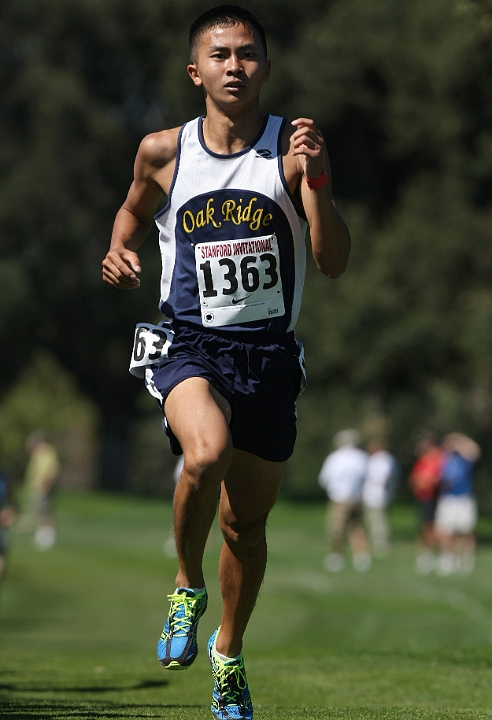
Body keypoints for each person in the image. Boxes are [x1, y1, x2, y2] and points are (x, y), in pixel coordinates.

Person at [101, 6, 351, 719]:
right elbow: (130, 211)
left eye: (248, 54)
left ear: (266, 69)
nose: (234, 66)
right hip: (188, 343)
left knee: (245, 526)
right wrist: (121, 247)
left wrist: (322, 181)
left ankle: (229, 655)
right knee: (203, 454)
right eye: (220, 54)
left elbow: (331, 262)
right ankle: (186, 586)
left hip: (268, 355)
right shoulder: (163, 150)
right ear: (196, 72)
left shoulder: (294, 153)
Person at [318, 429, 371, 573]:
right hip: (356, 498)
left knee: (336, 529)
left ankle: (336, 557)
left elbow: (324, 479)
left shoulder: (335, 458)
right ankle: (361, 557)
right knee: (356, 527)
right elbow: (367, 477)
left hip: (339, 498)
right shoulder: (362, 457)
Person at [435, 432, 481, 575]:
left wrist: (459, 438)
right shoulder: (444, 459)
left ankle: (467, 558)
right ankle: (448, 558)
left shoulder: (464, 458)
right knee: (445, 530)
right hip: (447, 498)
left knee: (465, 530)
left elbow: (475, 451)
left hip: (463, 498)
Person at [408, 433, 444, 574]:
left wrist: (427, 482)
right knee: (425, 527)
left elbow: (436, 480)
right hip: (423, 498)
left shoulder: (438, 459)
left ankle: (439, 553)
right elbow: (414, 479)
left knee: (434, 528)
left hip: (434, 498)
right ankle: (426, 554)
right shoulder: (422, 461)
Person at [22, 432, 60, 550]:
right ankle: (42, 535)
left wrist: (47, 484)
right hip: (37, 486)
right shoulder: (37, 453)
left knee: (45, 511)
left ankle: (47, 537)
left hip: (45, 486)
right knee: (40, 511)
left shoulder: (48, 452)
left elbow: (51, 470)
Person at [362, 439, 397, 557]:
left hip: (377, 495)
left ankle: (380, 544)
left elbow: (384, 477)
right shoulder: (377, 459)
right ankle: (375, 541)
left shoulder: (383, 459)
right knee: (373, 520)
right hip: (372, 495)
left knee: (378, 521)